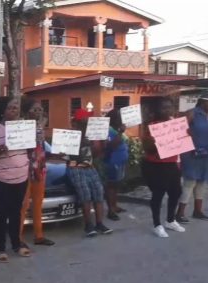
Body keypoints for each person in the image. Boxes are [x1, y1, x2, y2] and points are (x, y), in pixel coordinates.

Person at [0, 96, 31, 263]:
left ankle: (17, 244)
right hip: (0, 178)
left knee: (16, 212)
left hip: (21, 177)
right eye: (11, 108)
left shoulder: (24, 128)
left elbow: (29, 151)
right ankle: (0, 248)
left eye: (16, 107)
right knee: (1, 213)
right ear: (2, 112)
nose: (15, 110)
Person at [141, 98, 185, 238]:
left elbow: (183, 141)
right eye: (164, 107)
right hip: (157, 166)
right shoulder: (152, 125)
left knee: (176, 192)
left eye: (169, 107)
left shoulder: (175, 124)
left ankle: (170, 220)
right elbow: (148, 148)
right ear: (158, 110)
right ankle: (157, 225)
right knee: (158, 195)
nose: (167, 110)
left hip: (172, 164)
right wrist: (159, 141)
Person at [176, 91, 208, 223]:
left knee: (201, 182)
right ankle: (180, 213)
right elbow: (179, 130)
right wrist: (187, 135)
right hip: (191, 154)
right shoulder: (192, 113)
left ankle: (198, 210)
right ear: (202, 101)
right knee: (189, 183)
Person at [66, 109, 113, 237]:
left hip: (89, 167)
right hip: (75, 168)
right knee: (85, 195)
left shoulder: (91, 135)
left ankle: (99, 223)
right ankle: (88, 225)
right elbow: (68, 155)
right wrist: (82, 142)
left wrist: (102, 144)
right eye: (86, 118)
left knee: (99, 192)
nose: (89, 121)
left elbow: (96, 155)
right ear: (79, 121)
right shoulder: (70, 133)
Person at [19, 98, 55, 246]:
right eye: (35, 109)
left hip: (39, 168)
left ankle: (38, 235)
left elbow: (42, 148)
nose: (38, 112)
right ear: (27, 112)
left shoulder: (41, 127)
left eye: (40, 109)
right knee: (23, 204)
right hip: (25, 168)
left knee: (38, 203)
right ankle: (18, 237)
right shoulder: (21, 127)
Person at [101, 109, 129, 221]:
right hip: (112, 162)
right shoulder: (108, 130)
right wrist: (121, 132)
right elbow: (111, 145)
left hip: (120, 161)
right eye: (119, 117)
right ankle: (110, 211)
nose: (122, 120)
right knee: (111, 186)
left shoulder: (116, 129)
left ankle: (115, 206)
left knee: (116, 185)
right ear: (113, 119)